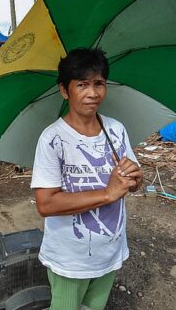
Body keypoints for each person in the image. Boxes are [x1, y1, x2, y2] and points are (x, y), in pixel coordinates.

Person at [31, 48, 143, 310]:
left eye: (99, 84)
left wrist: (135, 178)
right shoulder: (52, 139)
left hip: (110, 251)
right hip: (71, 259)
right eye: (82, 84)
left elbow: (133, 184)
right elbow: (45, 204)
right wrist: (107, 193)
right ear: (64, 90)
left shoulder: (116, 129)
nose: (93, 93)